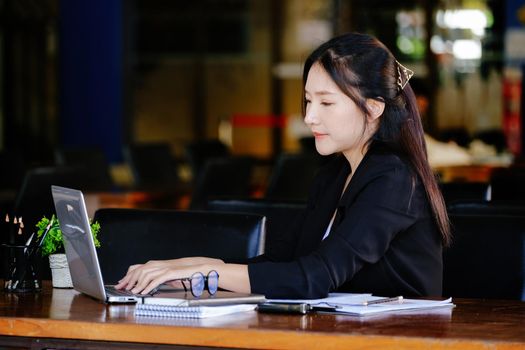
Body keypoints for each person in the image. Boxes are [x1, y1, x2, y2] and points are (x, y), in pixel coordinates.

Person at [115, 33, 451, 299]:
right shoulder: (336, 174)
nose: (309, 117)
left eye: (326, 102)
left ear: (374, 108)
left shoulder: (395, 179)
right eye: (308, 100)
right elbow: (287, 263)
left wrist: (207, 273)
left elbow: (315, 277)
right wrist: (199, 272)